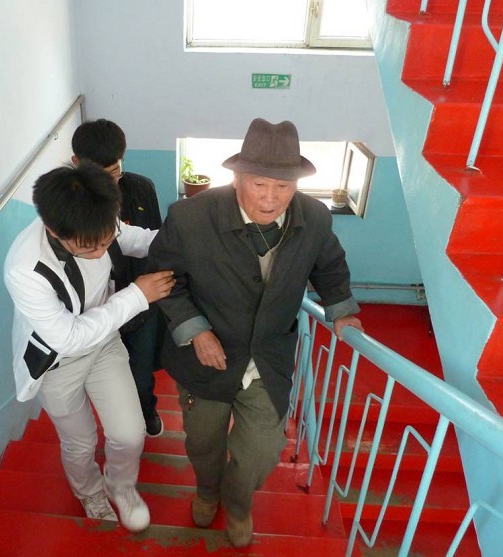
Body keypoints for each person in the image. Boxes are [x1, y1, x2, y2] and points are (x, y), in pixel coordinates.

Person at [146, 118, 363, 547]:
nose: (271, 198)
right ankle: (208, 491)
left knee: (263, 449)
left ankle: (239, 503)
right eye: (260, 184)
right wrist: (196, 331)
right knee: (203, 442)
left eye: (283, 187)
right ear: (237, 178)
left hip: (268, 356)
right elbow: (164, 278)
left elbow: (330, 268)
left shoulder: (315, 217)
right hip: (205, 356)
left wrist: (342, 311)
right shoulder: (190, 217)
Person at [3, 162, 175, 532]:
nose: (101, 252)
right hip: (57, 363)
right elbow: (68, 337)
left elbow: (132, 239)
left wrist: (178, 239)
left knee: (130, 433)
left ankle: (120, 486)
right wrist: (137, 295)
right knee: (80, 443)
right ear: (53, 229)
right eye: (89, 247)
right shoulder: (24, 268)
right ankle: (91, 493)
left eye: (105, 241)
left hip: (105, 343)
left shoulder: (100, 216)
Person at [71, 119, 165, 437]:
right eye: (98, 175)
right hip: (97, 316)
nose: (107, 184)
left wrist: (182, 239)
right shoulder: (67, 208)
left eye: (114, 172)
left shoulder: (141, 189)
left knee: (141, 375)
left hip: (140, 301)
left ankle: (145, 413)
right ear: (76, 164)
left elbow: (143, 240)